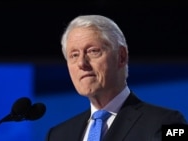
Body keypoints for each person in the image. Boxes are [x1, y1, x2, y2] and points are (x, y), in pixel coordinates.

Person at [45, 15, 187, 141]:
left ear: (121, 57)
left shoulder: (167, 123)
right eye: (74, 55)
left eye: (93, 51)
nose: (82, 63)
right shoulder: (58, 135)